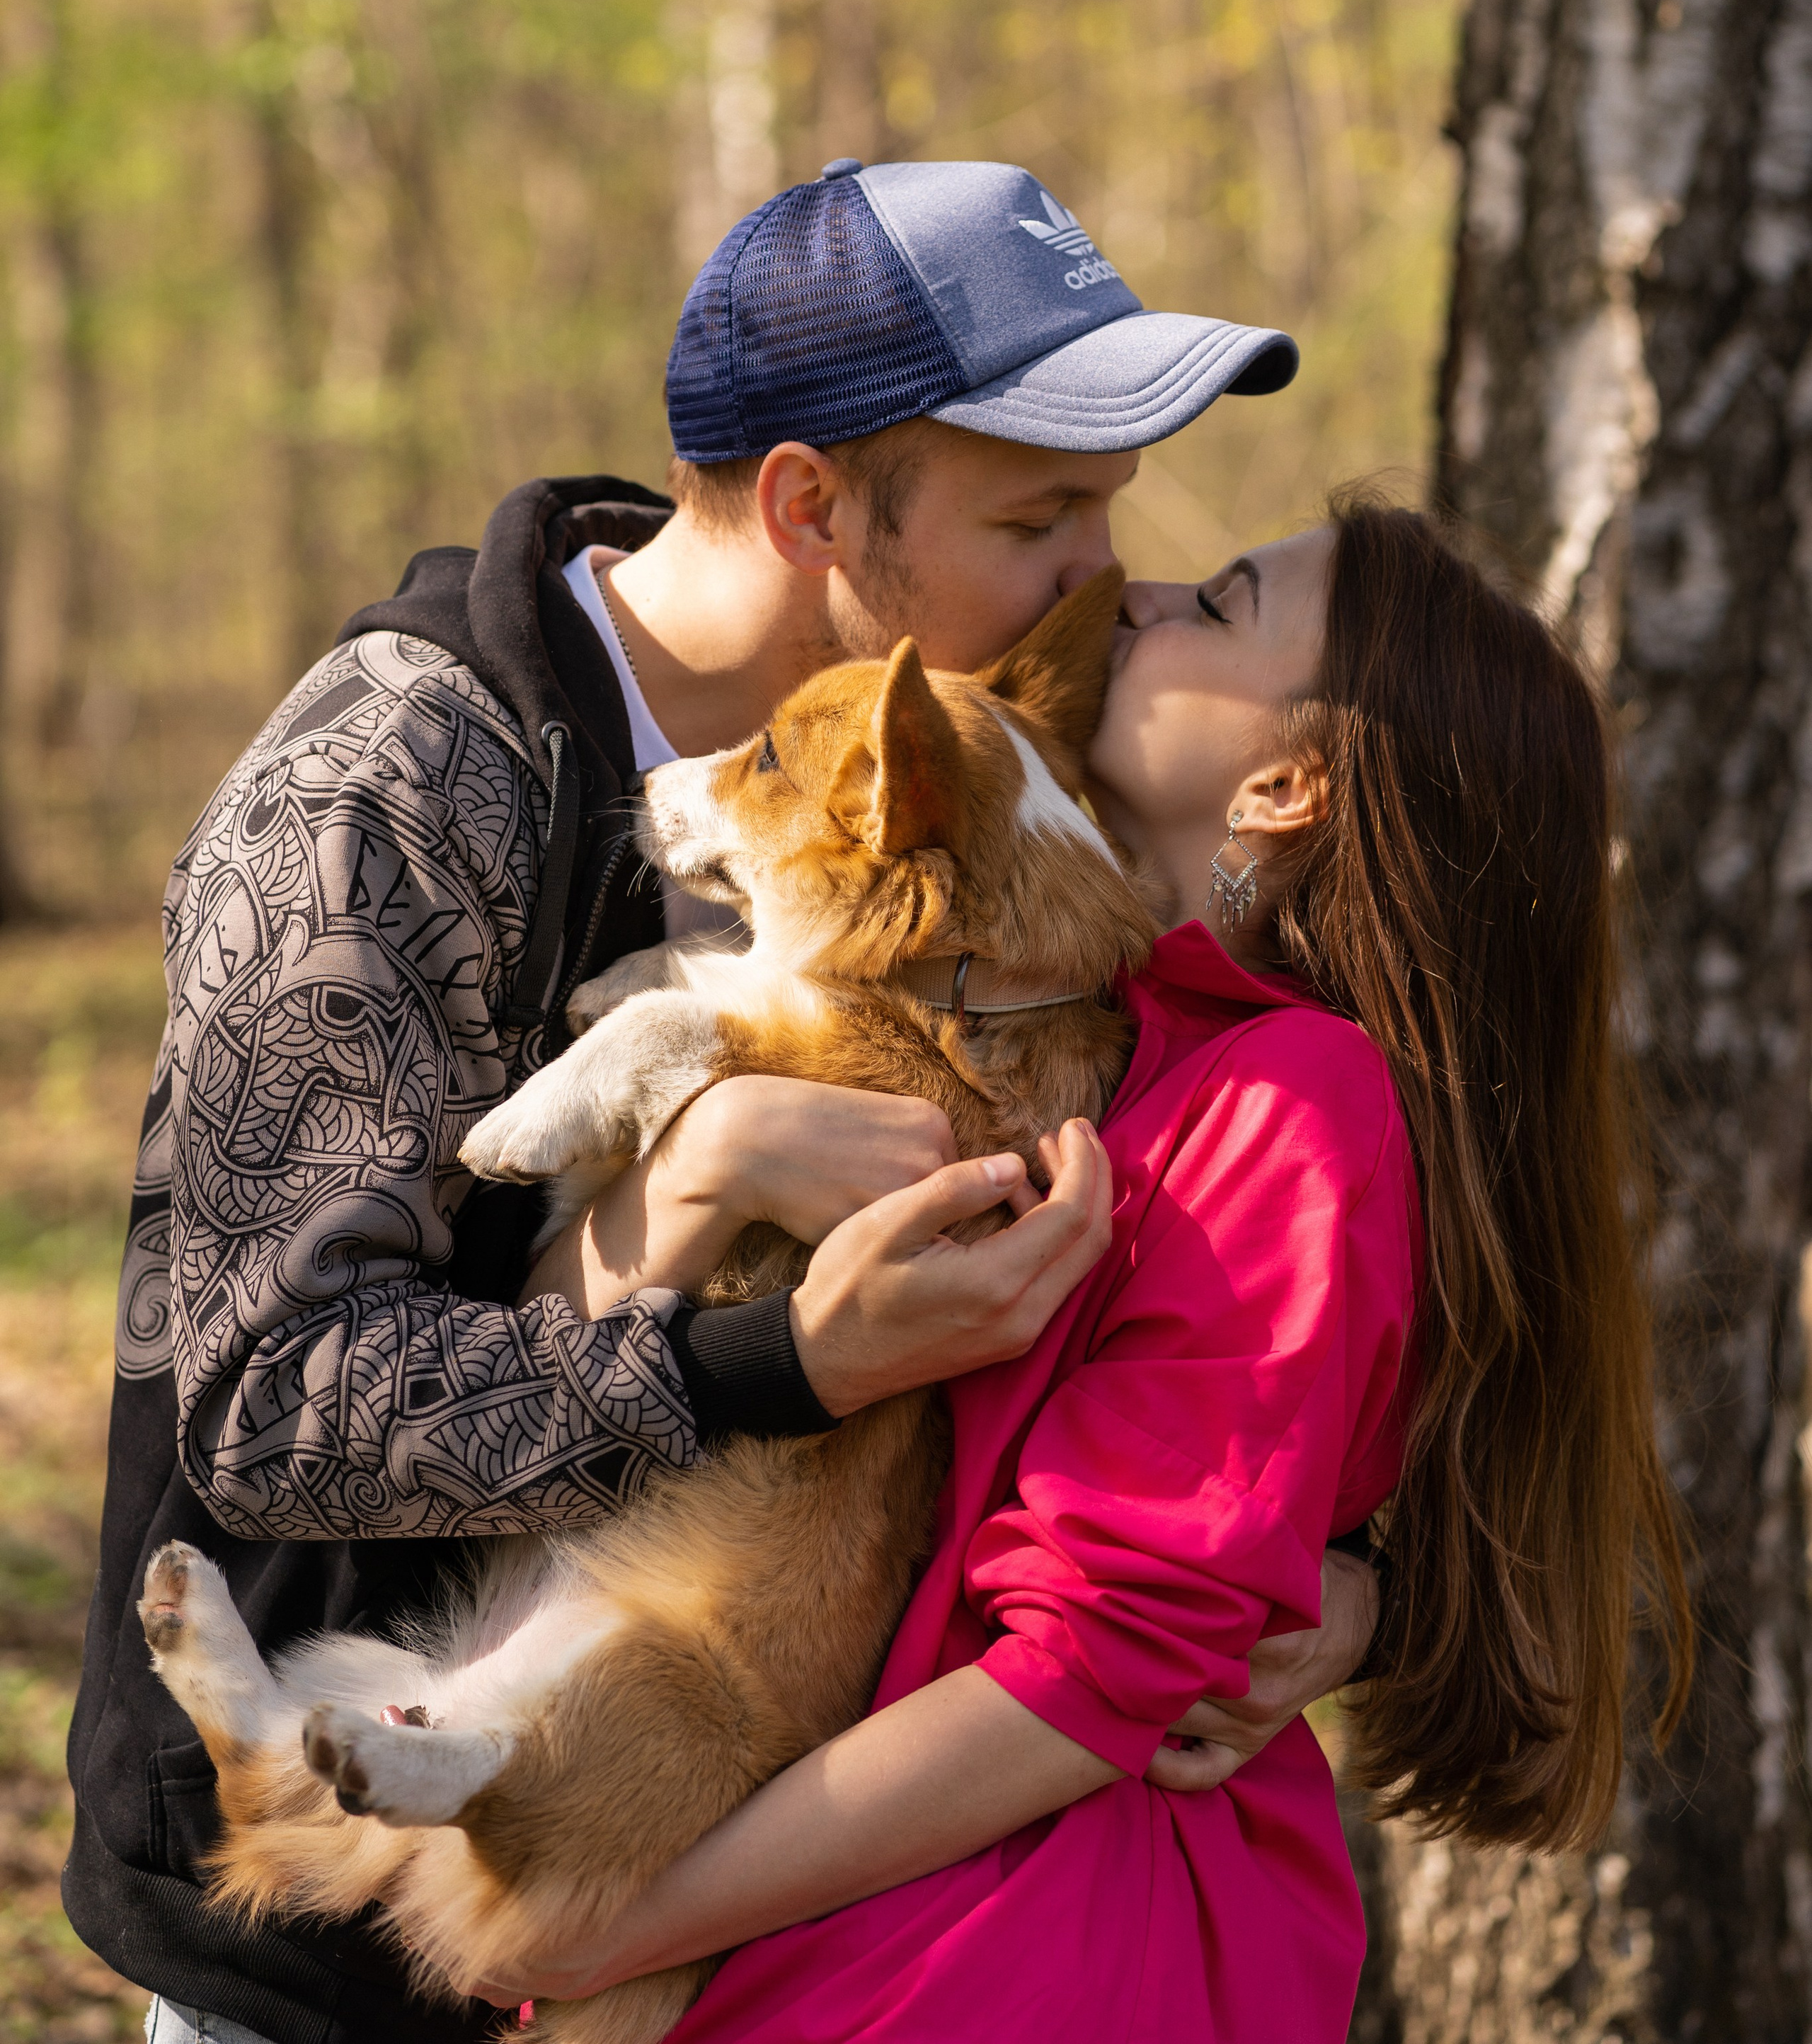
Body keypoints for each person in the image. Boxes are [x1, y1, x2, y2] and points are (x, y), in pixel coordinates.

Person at [66, 159, 1375, 2044]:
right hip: (344, 1938)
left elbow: (1230, 1226)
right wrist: (759, 1350)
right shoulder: (389, 794)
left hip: (774, 1920)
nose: (1111, 574)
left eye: (1111, 510)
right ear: (812, 508)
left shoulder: (980, 755)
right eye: (1044, 515)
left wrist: (1345, 1581)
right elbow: (270, 1406)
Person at [469, 498, 1694, 2041]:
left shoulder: (1289, 1099)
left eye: (1222, 599)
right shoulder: (1111, 1025)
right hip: (882, 1904)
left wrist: (611, 1920)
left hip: (1002, 1949)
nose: (1139, 592)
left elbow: (1081, 1675)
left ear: (1280, 784)